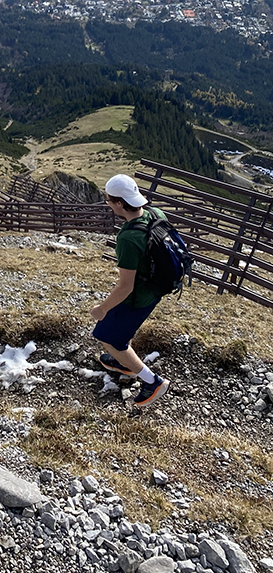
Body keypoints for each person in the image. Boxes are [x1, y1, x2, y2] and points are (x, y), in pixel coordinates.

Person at [91, 174, 170, 408]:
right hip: (156, 288)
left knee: (106, 337)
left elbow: (126, 287)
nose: (107, 203)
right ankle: (123, 362)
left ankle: (152, 382)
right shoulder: (155, 214)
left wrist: (102, 308)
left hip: (138, 297)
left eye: (108, 200)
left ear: (118, 203)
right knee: (119, 334)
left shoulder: (127, 237)